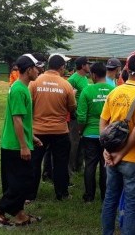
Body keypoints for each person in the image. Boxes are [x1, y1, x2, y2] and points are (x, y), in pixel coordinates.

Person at [0, 54, 43, 226]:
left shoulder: (21, 87)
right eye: (36, 68)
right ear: (28, 70)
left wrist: (31, 137)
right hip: (15, 145)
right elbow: (17, 119)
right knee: (25, 180)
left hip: (15, 142)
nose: (39, 71)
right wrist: (24, 146)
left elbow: (20, 121)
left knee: (17, 181)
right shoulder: (19, 89)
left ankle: (20, 216)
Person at [101, 51, 135, 235]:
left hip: (111, 156)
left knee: (110, 199)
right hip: (133, 158)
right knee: (132, 204)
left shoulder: (115, 92)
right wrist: (121, 154)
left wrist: (107, 150)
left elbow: (103, 121)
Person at [28, 54, 76, 201]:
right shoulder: (66, 85)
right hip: (60, 130)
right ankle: (62, 194)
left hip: (38, 131)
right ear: (62, 67)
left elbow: (29, 104)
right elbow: (72, 108)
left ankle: (30, 195)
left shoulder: (35, 82)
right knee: (60, 163)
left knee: (34, 163)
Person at [78, 63, 114, 202]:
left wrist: (81, 131)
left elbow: (81, 116)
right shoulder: (113, 90)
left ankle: (89, 196)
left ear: (93, 75)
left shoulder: (87, 91)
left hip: (89, 133)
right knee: (105, 165)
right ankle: (105, 196)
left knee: (90, 165)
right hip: (107, 134)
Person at [68, 56, 92, 175]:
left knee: (82, 142)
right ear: (82, 66)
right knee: (74, 142)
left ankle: (79, 165)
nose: (89, 66)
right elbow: (68, 97)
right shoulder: (73, 79)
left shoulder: (85, 78)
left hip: (84, 115)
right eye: (88, 64)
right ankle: (71, 167)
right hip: (76, 116)